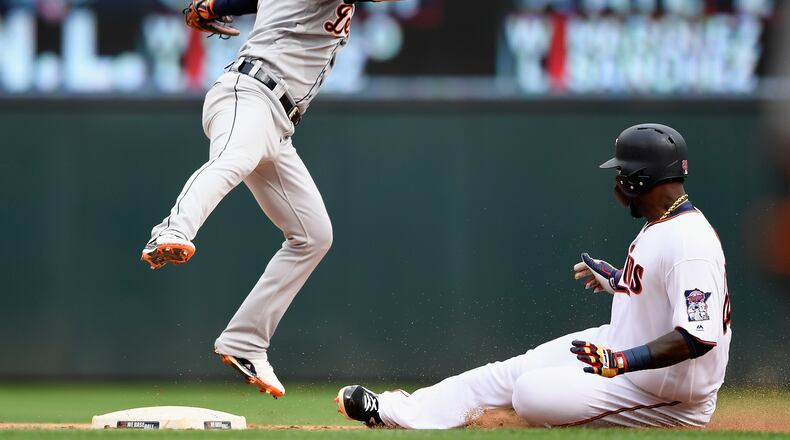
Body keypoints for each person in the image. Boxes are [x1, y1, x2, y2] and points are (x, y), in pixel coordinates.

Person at [336, 123, 732, 428]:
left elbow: (698, 336)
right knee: (510, 372)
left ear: (640, 178)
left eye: (623, 173)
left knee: (530, 393)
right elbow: (660, 291)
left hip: (669, 390)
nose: (618, 181)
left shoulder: (688, 242)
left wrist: (620, 361)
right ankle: (392, 411)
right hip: (620, 349)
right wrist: (618, 280)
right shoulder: (662, 222)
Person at [140, 0, 392, 399]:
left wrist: (217, 5)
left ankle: (245, 341)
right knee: (233, 159)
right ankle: (171, 230)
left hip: (278, 121)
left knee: (313, 235)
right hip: (251, 94)